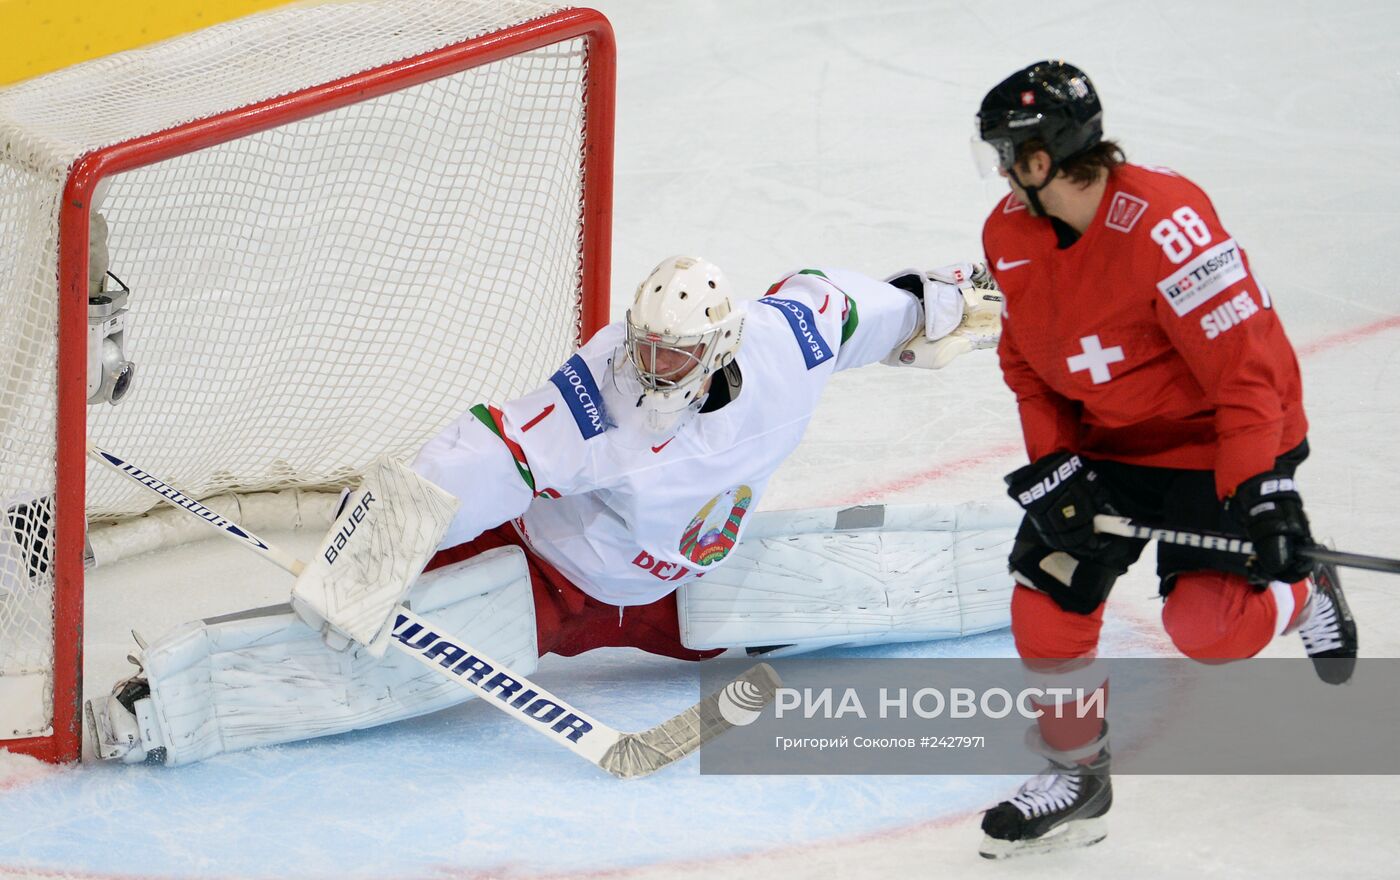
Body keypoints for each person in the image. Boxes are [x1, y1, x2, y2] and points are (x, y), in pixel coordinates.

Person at [86, 255, 1008, 766]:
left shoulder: (789, 341)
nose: (650, 364)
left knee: (844, 597)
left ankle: (1021, 563)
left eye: (674, 356)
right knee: (378, 663)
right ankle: (160, 707)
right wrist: (365, 561)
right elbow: (478, 455)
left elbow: (861, 309)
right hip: (545, 582)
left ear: (722, 346)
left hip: (682, 587)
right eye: (646, 345)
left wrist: (941, 304)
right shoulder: (598, 397)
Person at [969, 60, 1359, 859]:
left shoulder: (1167, 224)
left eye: (1008, 156)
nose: (1003, 176)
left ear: (1041, 158)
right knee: (1046, 601)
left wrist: (1263, 494)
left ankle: (1301, 588)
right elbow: (1026, 364)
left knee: (1209, 629)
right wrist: (1055, 469)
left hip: (1217, 440)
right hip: (1110, 445)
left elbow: (1246, 373)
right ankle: (1078, 772)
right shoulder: (1008, 234)